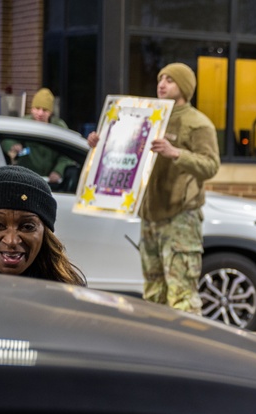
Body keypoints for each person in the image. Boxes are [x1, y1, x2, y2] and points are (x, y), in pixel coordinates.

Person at [87, 63, 220, 315]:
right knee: (153, 294)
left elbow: (211, 165)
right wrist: (101, 142)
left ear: (185, 87)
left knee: (182, 295)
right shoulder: (146, 116)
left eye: (170, 80)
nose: (162, 84)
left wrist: (176, 153)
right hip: (149, 216)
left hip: (180, 218)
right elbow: (124, 151)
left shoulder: (197, 124)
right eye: (161, 78)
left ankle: (188, 349)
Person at [1, 87, 77, 185]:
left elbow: (68, 153)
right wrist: (13, 146)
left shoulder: (59, 127)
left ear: (50, 112)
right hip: (24, 181)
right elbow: (6, 140)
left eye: (45, 110)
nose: (40, 113)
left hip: (49, 183)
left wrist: (58, 171)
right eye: (37, 109)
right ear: (32, 109)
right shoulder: (23, 124)